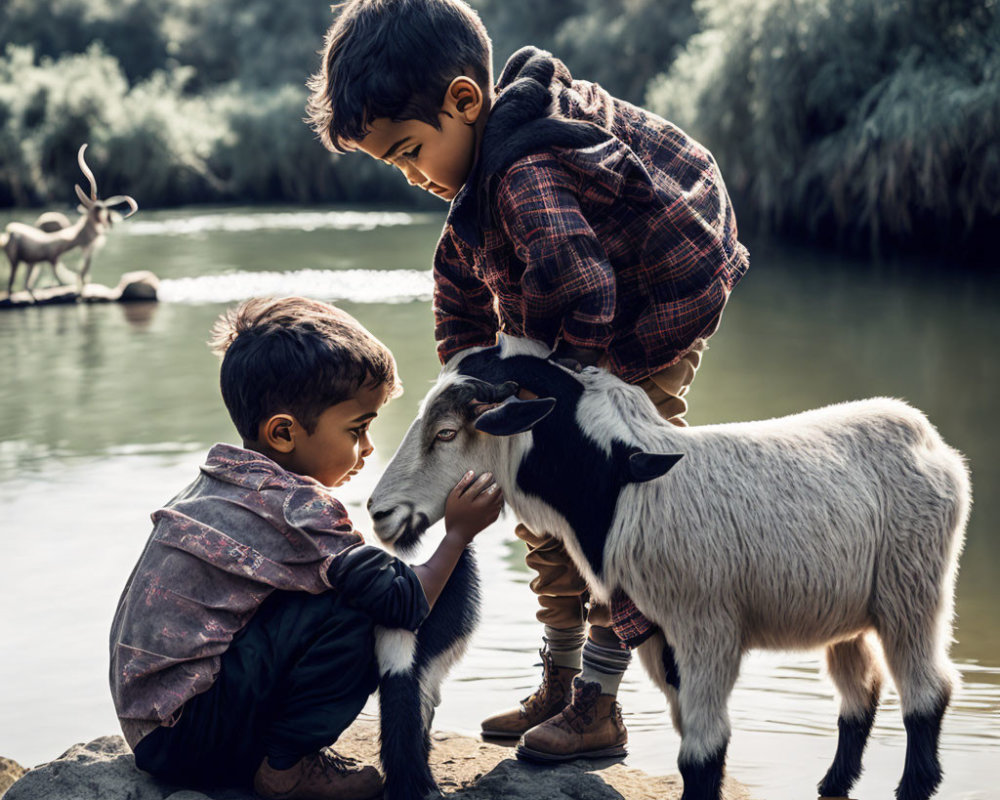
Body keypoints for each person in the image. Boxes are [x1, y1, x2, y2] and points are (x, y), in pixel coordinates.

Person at [306, 0, 749, 763]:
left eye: (410, 151)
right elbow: (455, 285)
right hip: (585, 305)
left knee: (612, 497)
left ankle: (600, 704)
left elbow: (589, 289)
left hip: (659, 296)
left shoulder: (521, 169)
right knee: (532, 487)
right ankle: (561, 677)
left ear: (464, 102)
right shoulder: (480, 182)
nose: (414, 177)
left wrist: (552, 397)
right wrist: (470, 381)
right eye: (396, 165)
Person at [109, 296, 504, 800]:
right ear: (283, 433)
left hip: (152, 728)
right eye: (357, 430)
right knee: (365, 606)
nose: (368, 449)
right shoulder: (297, 509)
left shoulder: (220, 480)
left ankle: (271, 754)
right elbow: (404, 603)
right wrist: (457, 534)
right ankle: (285, 768)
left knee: (343, 583)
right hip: (190, 734)